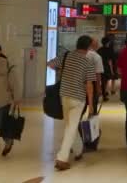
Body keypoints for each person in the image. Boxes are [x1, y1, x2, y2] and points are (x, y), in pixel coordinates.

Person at [47, 35, 96, 171]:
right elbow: (89, 85)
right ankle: (62, 158)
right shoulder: (87, 62)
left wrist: (61, 70)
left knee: (70, 125)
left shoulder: (66, 55)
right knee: (71, 127)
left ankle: (79, 150)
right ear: (88, 47)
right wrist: (91, 104)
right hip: (78, 98)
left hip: (64, 96)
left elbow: (50, 64)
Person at [87, 38, 104, 110]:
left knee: (82, 104)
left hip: (81, 82)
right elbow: (98, 73)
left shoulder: (82, 54)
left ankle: (79, 119)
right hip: (93, 82)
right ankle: (91, 117)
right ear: (96, 46)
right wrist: (98, 87)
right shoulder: (96, 57)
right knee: (93, 103)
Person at [97, 37, 116, 101]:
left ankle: (104, 93)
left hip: (100, 67)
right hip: (107, 67)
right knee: (105, 81)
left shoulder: (99, 50)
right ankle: (104, 95)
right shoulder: (110, 50)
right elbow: (111, 61)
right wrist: (112, 70)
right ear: (108, 42)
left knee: (103, 81)